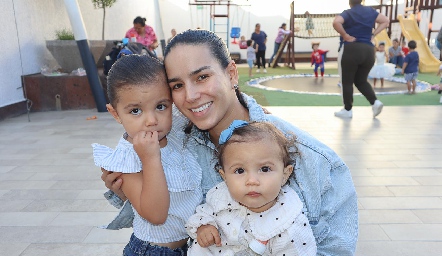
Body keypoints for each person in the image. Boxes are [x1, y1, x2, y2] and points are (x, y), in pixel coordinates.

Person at [102, 29, 358, 255]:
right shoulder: (174, 133)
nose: (191, 96)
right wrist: (125, 188)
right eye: (177, 85)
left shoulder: (314, 162)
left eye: (202, 77)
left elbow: (335, 248)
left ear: (231, 73)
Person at [93, 54, 203, 255]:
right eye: (135, 111)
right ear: (115, 114)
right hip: (151, 250)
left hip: (187, 247)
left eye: (161, 106)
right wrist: (150, 159)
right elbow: (155, 214)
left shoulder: (174, 130)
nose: (151, 120)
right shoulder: (128, 158)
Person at [185, 120, 317, 255]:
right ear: (224, 177)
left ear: (285, 174)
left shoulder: (289, 222)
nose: (252, 181)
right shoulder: (220, 195)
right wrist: (204, 227)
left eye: (265, 169)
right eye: (240, 171)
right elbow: (203, 213)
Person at [332, 0, 389, 118]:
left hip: (351, 49)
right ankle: (375, 102)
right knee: (361, 80)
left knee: (347, 81)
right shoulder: (370, 11)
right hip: (369, 50)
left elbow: (336, 22)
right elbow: (385, 21)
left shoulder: (348, 13)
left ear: (350, 2)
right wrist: (373, 35)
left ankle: (347, 110)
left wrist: (345, 35)